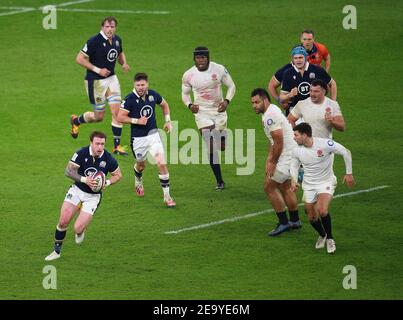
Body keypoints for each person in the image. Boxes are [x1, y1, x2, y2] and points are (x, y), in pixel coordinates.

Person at [45, 131, 122, 261]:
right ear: (91, 143)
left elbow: (118, 175)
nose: (100, 147)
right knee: (63, 220)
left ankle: (81, 231)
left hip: (93, 197)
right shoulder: (81, 153)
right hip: (77, 190)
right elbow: (68, 171)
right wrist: (85, 180)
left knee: (77, 228)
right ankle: (56, 251)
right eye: (97, 144)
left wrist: (107, 182)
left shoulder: (108, 158)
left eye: (102, 144)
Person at [290, 123, 355, 254]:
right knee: (311, 217)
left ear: (304, 135)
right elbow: (294, 165)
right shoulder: (296, 150)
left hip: (326, 182)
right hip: (309, 185)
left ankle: (330, 239)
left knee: (322, 209)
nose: (294, 138)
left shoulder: (325, 144)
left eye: (296, 135)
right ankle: (322, 234)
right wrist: (293, 180)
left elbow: (345, 152)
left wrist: (349, 173)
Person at [70, 16, 130, 156]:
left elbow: (119, 52)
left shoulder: (116, 39)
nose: (110, 29)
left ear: (115, 28)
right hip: (95, 82)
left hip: (111, 78)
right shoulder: (94, 41)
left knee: (117, 111)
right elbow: (79, 58)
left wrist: (124, 63)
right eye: (107, 27)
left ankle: (117, 146)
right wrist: (98, 70)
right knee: (99, 116)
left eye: (112, 27)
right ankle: (76, 120)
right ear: (102, 27)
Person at [117, 72, 176, 207]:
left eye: (143, 84)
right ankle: (138, 178)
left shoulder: (153, 95)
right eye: (138, 85)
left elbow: (165, 105)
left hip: (154, 135)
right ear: (134, 85)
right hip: (138, 139)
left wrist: (168, 121)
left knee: (161, 163)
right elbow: (120, 117)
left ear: (147, 84)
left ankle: (167, 197)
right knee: (141, 165)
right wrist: (137, 120)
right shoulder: (129, 99)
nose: (140, 87)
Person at [182, 46, 236, 190]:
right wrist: (189, 105)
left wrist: (227, 101)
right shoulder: (188, 75)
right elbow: (185, 94)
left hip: (219, 110)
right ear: (194, 59)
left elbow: (231, 86)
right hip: (201, 112)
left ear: (208, 58)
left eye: (203, 58)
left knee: (221, 147)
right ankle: (220, 181)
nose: (200, 61)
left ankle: (222, 138)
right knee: (210, 144)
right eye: (198, 58)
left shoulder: (218, 69)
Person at [251, 88, 301, 236]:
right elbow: (273, 140)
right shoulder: (270, 111)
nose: (254, 105)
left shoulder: (269, 116)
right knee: (285, 186)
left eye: (257, 102)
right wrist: (269, 157)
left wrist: (273, 161)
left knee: (269, 186)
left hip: (286, 155)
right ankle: (295, 220)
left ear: (265, 100)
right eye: (252, 103)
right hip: (290, 152)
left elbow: (279, 141)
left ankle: (284, 223)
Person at [280, 46, 337, 116]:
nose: (298, 60)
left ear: (306, 58)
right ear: (292, 60)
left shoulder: (317, 70)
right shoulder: (288, 73)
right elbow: (282, 97)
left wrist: (333, 103)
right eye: (295, 58)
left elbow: (332, 83)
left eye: (300, 57)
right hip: (296, 112)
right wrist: (289, 95)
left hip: (316, 110)